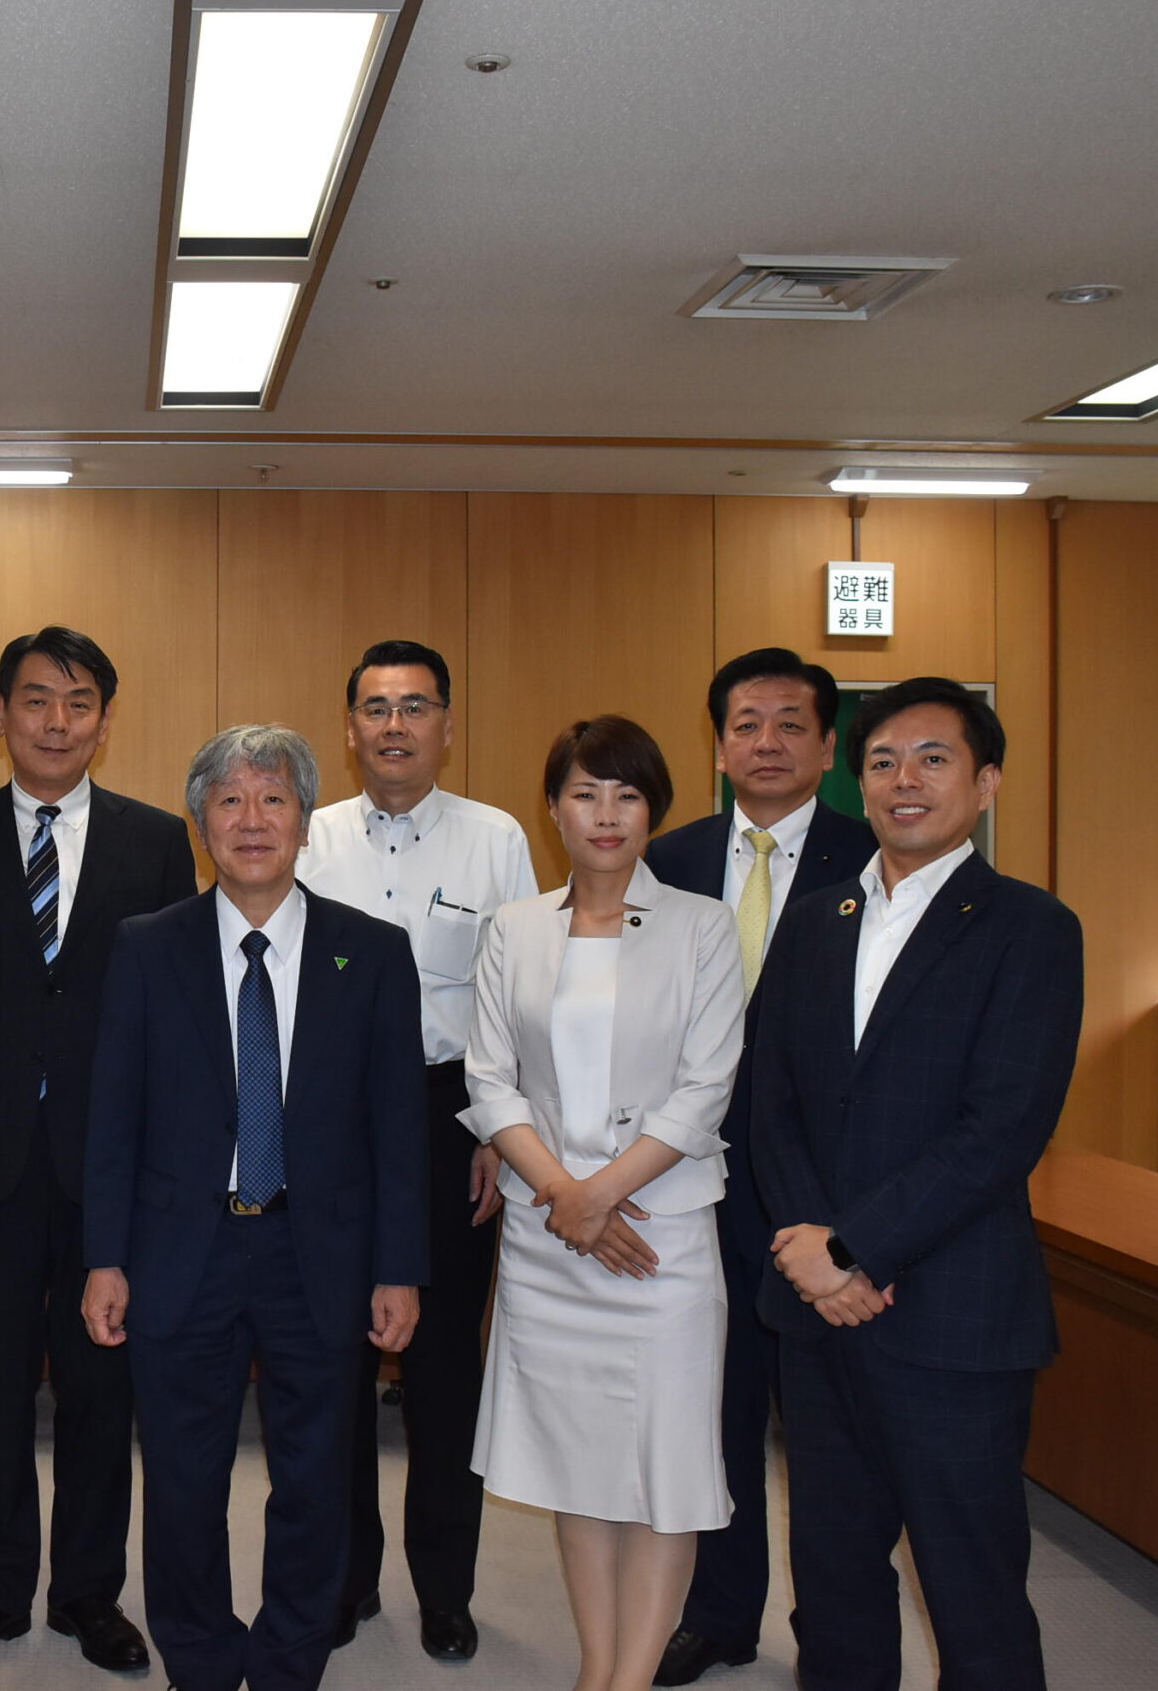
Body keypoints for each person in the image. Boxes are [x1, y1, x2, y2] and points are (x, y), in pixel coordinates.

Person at [748, 678, 1082, 1691]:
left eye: (933, 759)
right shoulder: (814, 921)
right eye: (884, 759)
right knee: (834, 1579)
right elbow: (771, 1101)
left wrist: (854, 1249)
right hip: (817, 1317)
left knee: (970, 1585)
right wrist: (813, 1254)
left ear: (983, 783)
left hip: (953, 1320)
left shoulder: (1029, 928)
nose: (904, 780)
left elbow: (1000, 1131)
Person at [84, 724, 427, 1691]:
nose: (251, 819)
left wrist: (399, 1266)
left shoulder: (373, 953)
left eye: (273, 798)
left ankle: (287, 1659)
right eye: (229, 800)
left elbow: (398, 1129)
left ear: (306, 821)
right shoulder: (148, 948)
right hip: (179, 1250)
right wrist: (104, 1257)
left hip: (318, 1254)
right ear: (201, 824)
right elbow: (114, 1116)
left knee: (315, 1480)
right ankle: (198, 1654)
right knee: (185, 1478)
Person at [0, 625, 198, 1674]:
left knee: (100, 1385)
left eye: (77, 703)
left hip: (109, 1169)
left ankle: (86, 1594)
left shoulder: (156, 839)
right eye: (35, 700)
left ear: (105, 722)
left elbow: (172, 1013)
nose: (56, 722)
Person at [465, 715, 744, 1691]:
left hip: (658, 1238)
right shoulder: (512, 928)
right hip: (551, 1244)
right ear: (554, 809)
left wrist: (601, 1198)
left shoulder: (702, 925)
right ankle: (600, 1670)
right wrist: (563, 1196)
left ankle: (627, 1682)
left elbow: (704, 1089)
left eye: (626, 794)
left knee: (661, 1472)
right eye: (586, 792)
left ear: (652, 810)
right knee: (579, 1469)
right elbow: (489, 1081)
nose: (606, 813)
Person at [296, 639, 537, 1660]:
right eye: (375, 707)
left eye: (416, 706)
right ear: (347, 728)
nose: (394, 725)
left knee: (443, 1369)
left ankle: (445, 1586)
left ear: (446, 725)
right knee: (332, 1363)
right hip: (327, 1128)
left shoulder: (495, 838)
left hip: (452, 1124)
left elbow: (518, 994)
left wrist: (497, 1130)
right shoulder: (304, 834)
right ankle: (344, 1578)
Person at [642, 647, 878, 1687]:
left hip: (826, 1193)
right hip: (693, 1180)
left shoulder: (879, 856)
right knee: (716, 1408)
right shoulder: (670, 857)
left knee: (827, 1430)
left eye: (791, 723)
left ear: (827, 746)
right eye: (746, 723)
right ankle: (720, 1612)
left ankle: (833, 1635)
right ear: (719, 742)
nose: (767, 742)